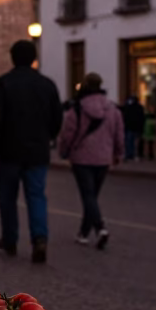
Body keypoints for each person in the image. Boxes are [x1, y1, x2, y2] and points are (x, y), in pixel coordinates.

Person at [0, 39, 63, 264]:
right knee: (36, 196)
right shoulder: (47, 85)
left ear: (12, 58)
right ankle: (39, 238)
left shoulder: (4, 83)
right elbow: (57, 118)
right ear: (34, 58)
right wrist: (47, 137)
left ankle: (10, 239)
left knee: (8, 197)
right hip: (38, 152)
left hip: (8, 152)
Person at [58, 73, 124, 250]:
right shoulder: (112, 109)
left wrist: (63, 152)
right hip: (104, 158)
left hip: (81, 157)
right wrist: (118, 153)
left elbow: (67, 134)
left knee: (88, 195)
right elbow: (119, 135)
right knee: (92, 196)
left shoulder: (77, 109)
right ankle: (83, 233)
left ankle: (100, 228)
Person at [121, 95, 145, 161]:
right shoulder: (139, 107)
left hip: (130, 127)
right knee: (133, 142)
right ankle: (132, 154)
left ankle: (129, 154)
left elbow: (125, 117)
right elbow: (142, 118)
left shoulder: (128, 107)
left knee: (129, 141)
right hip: (135, 127)